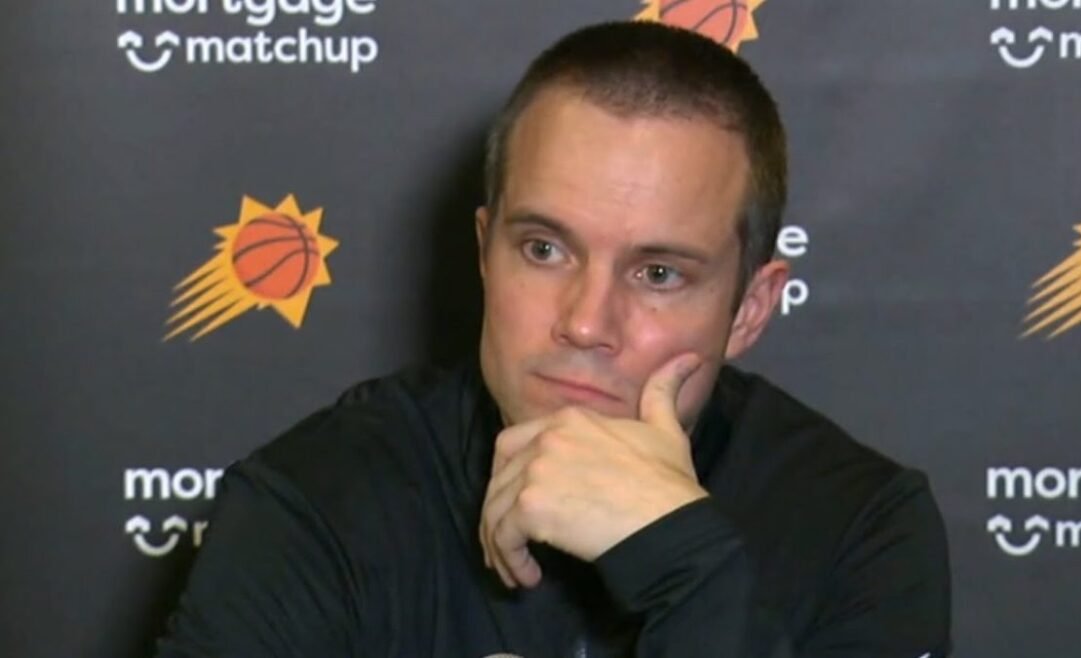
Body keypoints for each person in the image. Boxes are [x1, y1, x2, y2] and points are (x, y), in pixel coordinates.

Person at [155, 20, 951, 658]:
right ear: (484, 252)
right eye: (544, 250)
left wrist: (688, 568)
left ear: (750, 308)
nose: (585, 321)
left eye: (658, 274)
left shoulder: (859, 527)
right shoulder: (316, 501)